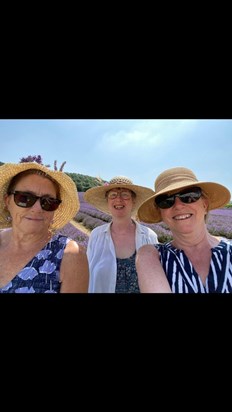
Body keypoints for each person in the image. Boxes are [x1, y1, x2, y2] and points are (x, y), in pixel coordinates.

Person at [136, 166, 232, 293]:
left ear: (205, 205)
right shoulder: (151, 255)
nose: (178, 206)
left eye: (189, 195)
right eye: (166, 201)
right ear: (161, 214)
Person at [0, 161, 89, 293]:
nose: (37, 209)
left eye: (48, 202)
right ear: (7, 201)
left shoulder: (70, 256)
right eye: (24, 198)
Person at [84, 176, 158, 293]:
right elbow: (87, 274)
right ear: (107, 201)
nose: (118, 199)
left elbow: (157, 279)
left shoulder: (149, 236)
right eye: (113, 195)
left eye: (125, 195)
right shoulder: (96, 235)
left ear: (133, 201)